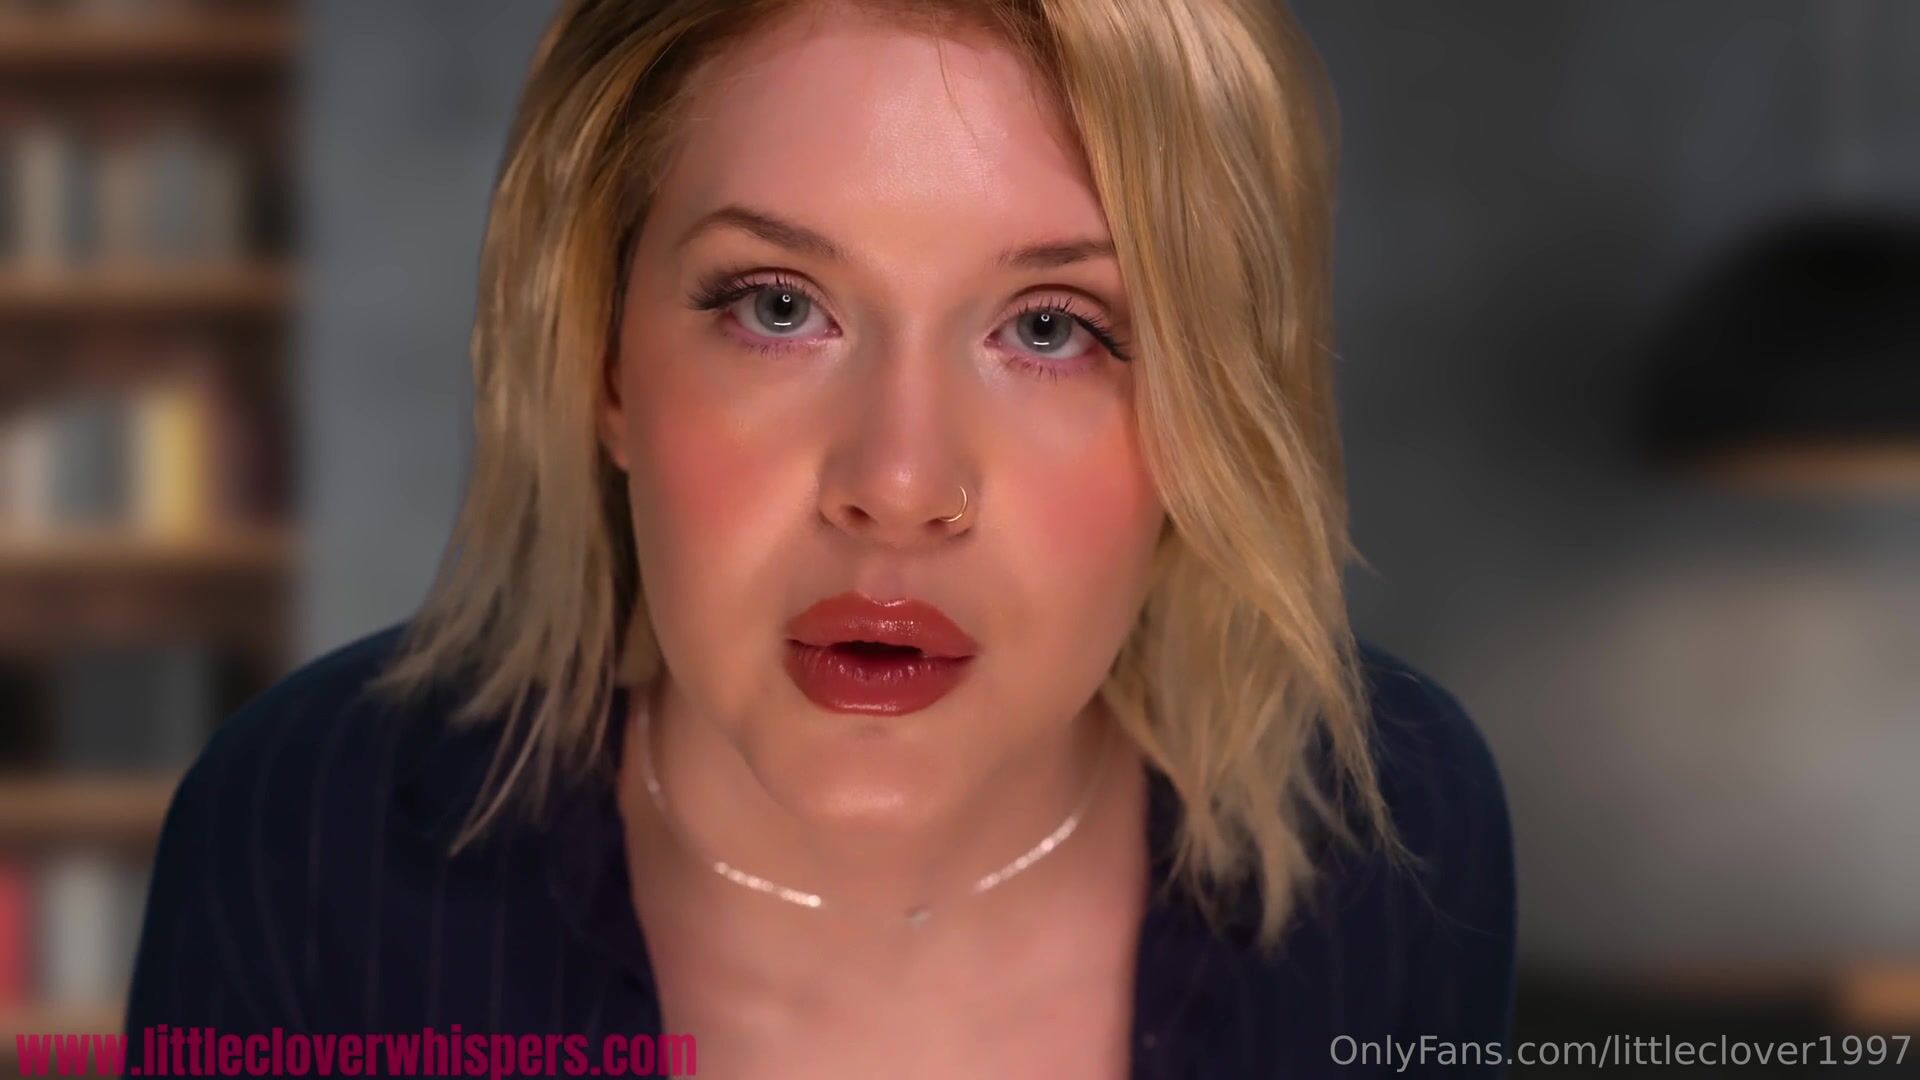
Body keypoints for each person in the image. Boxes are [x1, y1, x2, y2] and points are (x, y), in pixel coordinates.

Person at [126, 1, 1516, 1076]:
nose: (899, 485)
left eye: (1050, 328)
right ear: (605, 362)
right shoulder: (304, 832)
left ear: (1208, 409)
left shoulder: (1394, 835)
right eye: (778, 306)